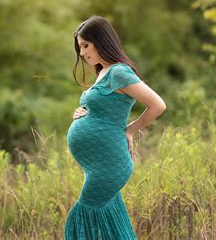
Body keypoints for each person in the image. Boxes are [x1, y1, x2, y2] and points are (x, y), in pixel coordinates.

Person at [64, 15, 167, 239]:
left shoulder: (119, 72)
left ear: (101, 41)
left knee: (82, 216)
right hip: (100, 165)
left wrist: (129, 129)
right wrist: (80, 114)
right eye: (80, 47)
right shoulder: (103, 72)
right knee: (108, 225)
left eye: (85, 45)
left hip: (110, 165)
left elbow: (158, 105)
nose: (82, 53)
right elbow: (102, 109)